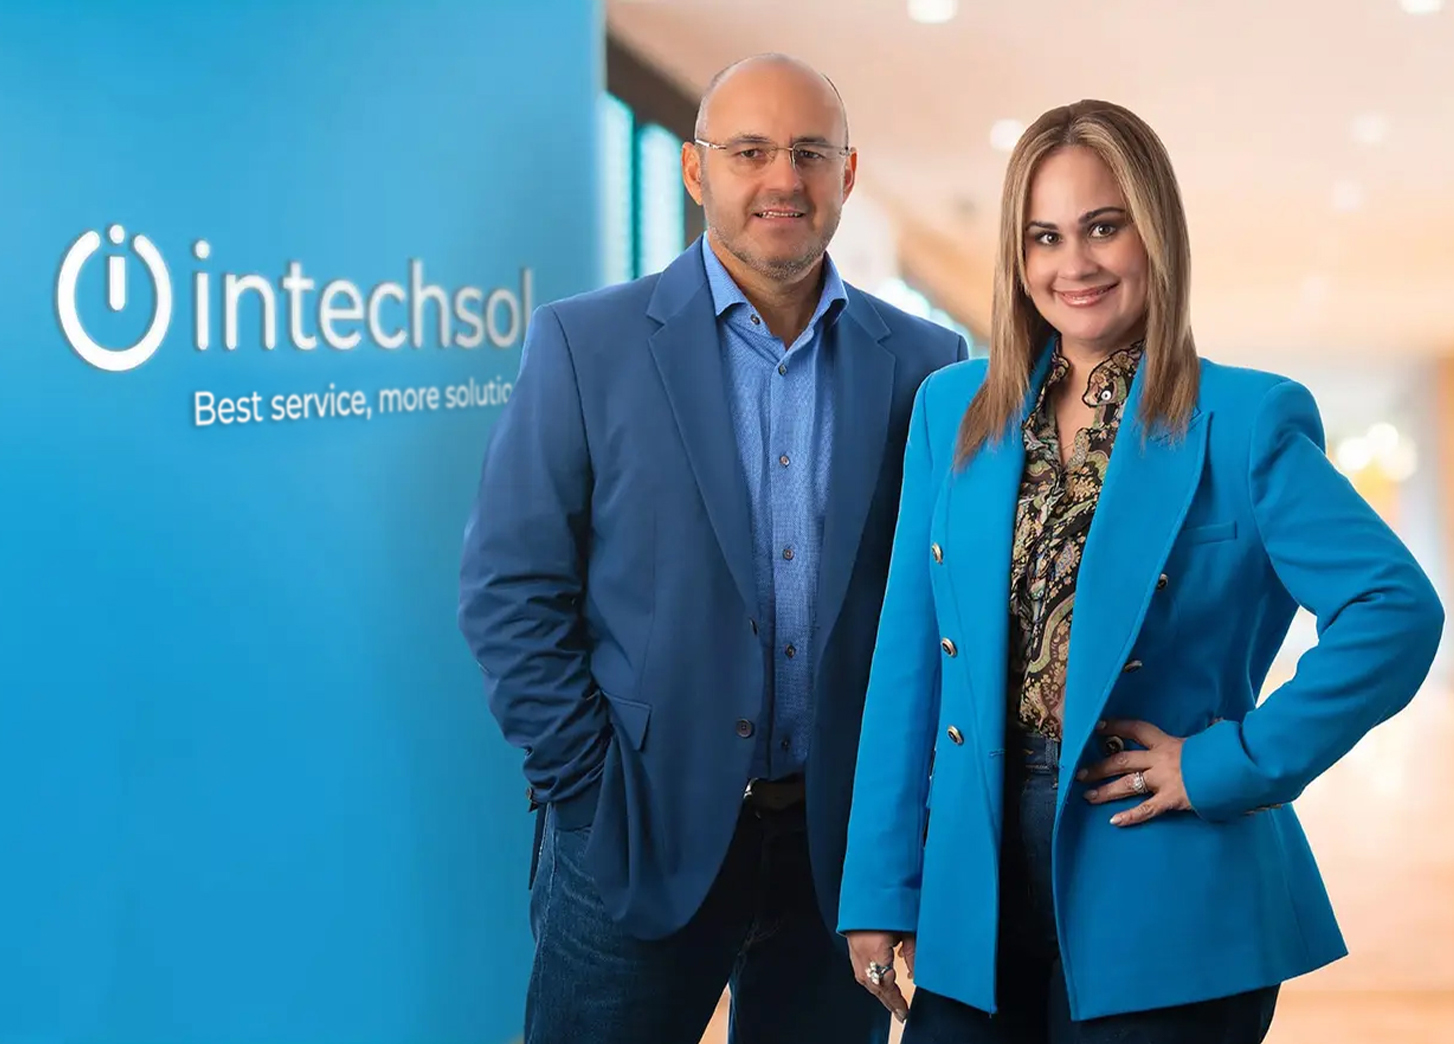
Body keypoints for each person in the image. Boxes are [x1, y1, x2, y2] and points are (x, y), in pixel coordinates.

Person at [837, 98, 1445, 1044]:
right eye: (1044, 236)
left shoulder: (1245, 421)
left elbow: (1394, 608)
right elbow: (909, 661)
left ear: (1154, 233)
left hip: (1167, 880)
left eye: (1103, 227)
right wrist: (879, 884)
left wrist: (1229, 762)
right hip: (971, 883)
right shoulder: (951, 411)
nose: (1073, 264)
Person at [458, 53, 968, 1044]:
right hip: (636, 834)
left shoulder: (924, 364)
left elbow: (936, 606)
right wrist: (588, 790)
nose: (782, 178)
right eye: (749, 151)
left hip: (836, 855)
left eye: (809, 153)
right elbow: (507, 590)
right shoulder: (585, 345)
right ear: (695, 171)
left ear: (847, 174)